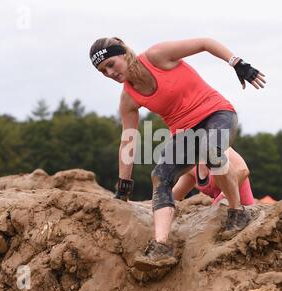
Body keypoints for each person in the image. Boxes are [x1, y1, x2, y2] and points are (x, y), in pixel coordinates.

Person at [89, 37, 266, 271]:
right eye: (103, 72)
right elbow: (128, 141)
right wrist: (123, 186)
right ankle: (161, 246)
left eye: (111, 64)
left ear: (123, 53)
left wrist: (237, 63)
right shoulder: (128, 98)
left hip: (217, 114)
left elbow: (204, 42)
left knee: (212, 153)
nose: (109, 73)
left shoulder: (157, 56)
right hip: (185, 133)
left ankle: (237, 211)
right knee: (160, 175)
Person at [172, 147, 255, 208]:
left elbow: (243, 170)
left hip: (245, 213)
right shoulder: (191, 168)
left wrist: (221, 199)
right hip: (221, 214)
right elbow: (175, 195)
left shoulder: (220, 149)